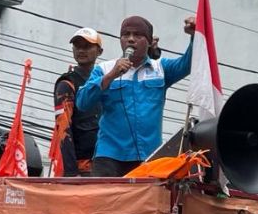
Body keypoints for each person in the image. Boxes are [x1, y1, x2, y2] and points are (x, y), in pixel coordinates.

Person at [76, 14, 196, 176]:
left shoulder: (161, 69)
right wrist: (111, 76)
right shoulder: (104, 69)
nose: (130, 40)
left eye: (137, 35)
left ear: (149, 41)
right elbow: (82, 102)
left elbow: (189, 63)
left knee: (146, 202)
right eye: (126, 35)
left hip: (149, 156)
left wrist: (196, 35)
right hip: (109, 158)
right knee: (105, 201)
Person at [52, 27, 104, 176]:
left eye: (87, 46)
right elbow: (63, 128)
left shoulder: (106, 80)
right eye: (77, 46)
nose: (81, 50)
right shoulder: (67, 83)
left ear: (99, 51)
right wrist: (71, 173)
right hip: (82, 167)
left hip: (107, 164)